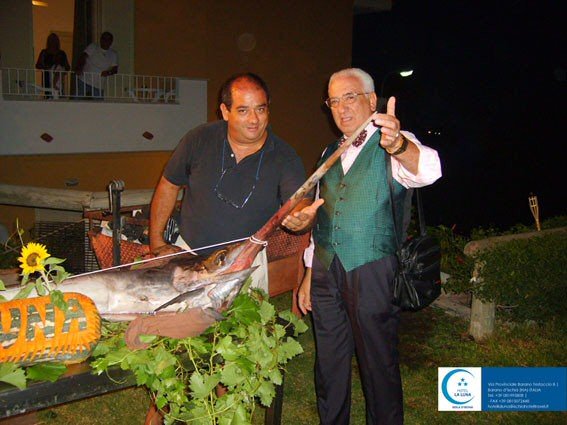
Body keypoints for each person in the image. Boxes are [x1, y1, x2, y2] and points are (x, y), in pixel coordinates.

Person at [282, 68, 442, 424]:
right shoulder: (329, 151)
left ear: (371, 101)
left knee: (377, 364)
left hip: (372, 268)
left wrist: (398, 145)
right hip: (326, 269)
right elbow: (323, 215)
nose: (341, 108)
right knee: (329, 363)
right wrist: (309, 273)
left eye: (350, 97)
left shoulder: (391, 141)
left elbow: (429, 170)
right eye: (333, 101)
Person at [149, 72, 307, 293]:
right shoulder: (199, 139)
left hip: (246, 264)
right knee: (180, 315)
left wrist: (303, 218)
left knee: (244, 316)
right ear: (225, 111)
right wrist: (156, 241)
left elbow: (300, 202)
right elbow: (169, 184)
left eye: (260, 109)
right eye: (243, 111)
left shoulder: (284, 156)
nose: (254, 120)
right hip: (189, 257)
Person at [75, 31, 118, 98]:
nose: (105, 41)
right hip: (85, 80)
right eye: (103, 38)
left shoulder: (113, 54)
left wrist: (108, 72)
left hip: (99, 84)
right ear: (100, 39)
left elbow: (115, 69)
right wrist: (79, 67)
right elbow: (83, 57)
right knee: (77, 100)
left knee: (98, 103)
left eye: (108, 39)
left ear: (111, 42)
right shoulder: (93, 46)